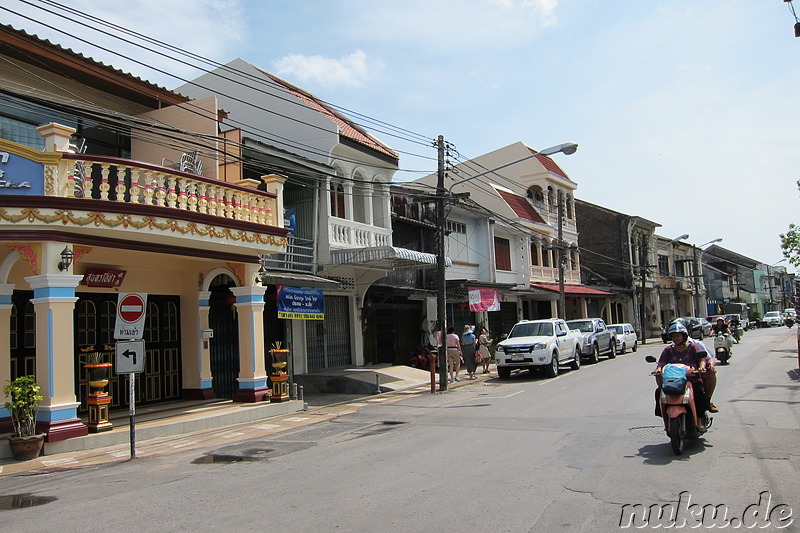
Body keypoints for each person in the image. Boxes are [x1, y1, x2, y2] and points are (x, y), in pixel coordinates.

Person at [653, 322, 712, 430]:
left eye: (678, 336)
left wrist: (702, 366)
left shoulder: (692, 348)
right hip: (673, 381)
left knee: (699, 392)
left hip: (691, 380)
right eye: (674, 336)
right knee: (658, 392)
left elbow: (702, 359)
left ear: (684, 336)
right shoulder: (668, 350)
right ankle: (665, 417)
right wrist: (658, 369)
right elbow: (661, 362)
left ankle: (699, 420)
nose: (676, 338)